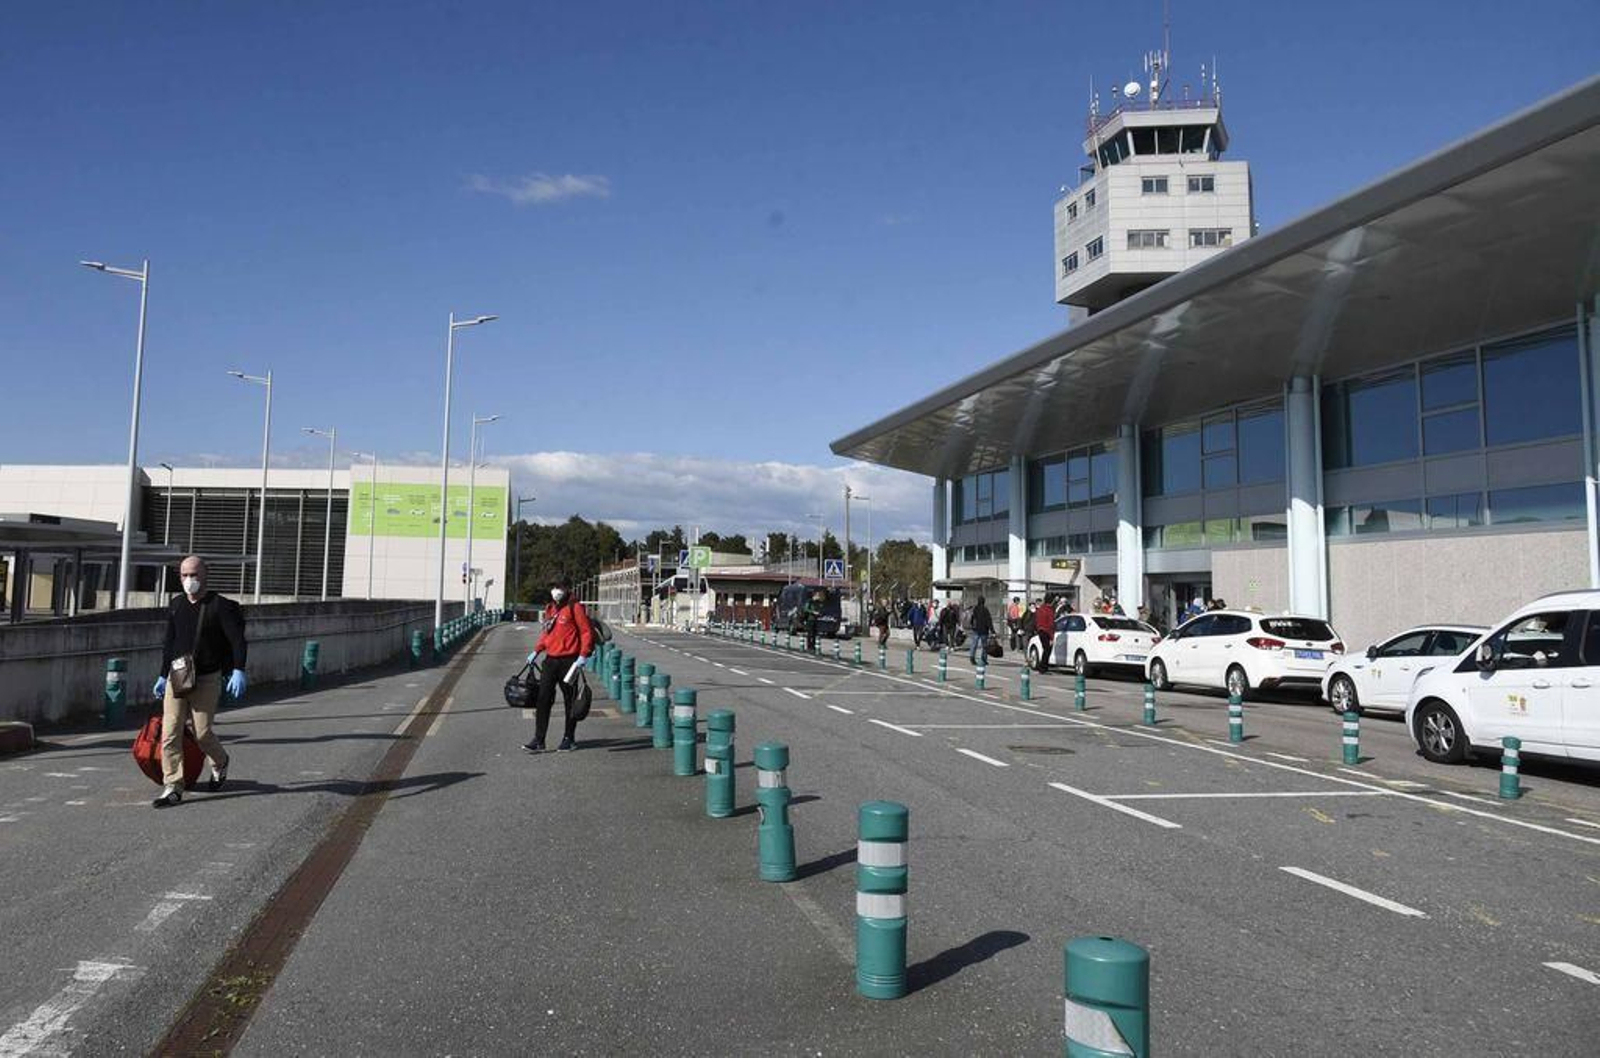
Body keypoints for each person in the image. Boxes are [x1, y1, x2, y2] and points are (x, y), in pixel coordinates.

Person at [152, 556, 247, 808]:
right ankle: (173, 785)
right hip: (178, 676)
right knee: (170, 731)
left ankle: (220, 761)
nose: (188, 580)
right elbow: (169, 643)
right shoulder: (176, 605)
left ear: (205, 575)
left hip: (206, 677)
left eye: (194, 574)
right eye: (184, 575)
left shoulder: (220, 606)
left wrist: (238, 669)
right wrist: (162, 675)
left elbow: (237, 639)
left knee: (202, 732)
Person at [523, 575, 595, 754]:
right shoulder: (551, 609)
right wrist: (537, 650)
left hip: (569, 661)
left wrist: (583, 655)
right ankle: (539, 739)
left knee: (570, 700)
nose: (556, 591)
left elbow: (586, 632)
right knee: (543, 699)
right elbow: (547, 634)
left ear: (567, 589)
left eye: (559, 587)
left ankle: (568, 738)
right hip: (550, 660)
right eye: (553, 587)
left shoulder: (575, 607)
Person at [1033, 594, 1057, 673]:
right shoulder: (1049, 610)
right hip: (1047, 631)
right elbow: (1051, 624)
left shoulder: (1040, 609)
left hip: (1040, 630)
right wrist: (1051, 637)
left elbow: (1036, 621)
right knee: (1047, 650)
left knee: (1045, 649)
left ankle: (1043, 666)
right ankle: (1043, 667)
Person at [968, 596, 994, 664]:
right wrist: (992, 630)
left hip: (976, 629)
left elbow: (972, 618)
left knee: (974, 644)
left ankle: (972, 657)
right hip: (984, 630)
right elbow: (989, 621)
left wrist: (972, 626)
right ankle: (984, 659)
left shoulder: (975, 609)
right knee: (984, 645)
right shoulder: (985, 610)